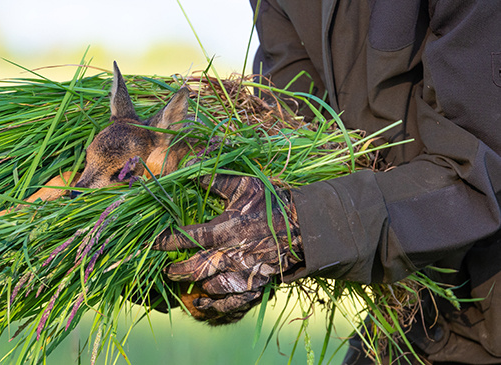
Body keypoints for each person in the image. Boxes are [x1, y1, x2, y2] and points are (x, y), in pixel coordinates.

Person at [152, 1, 501, 363]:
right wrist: (235, 247)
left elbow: (482, 161)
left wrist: (297, 227)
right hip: (418, 310)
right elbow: (298, 148)